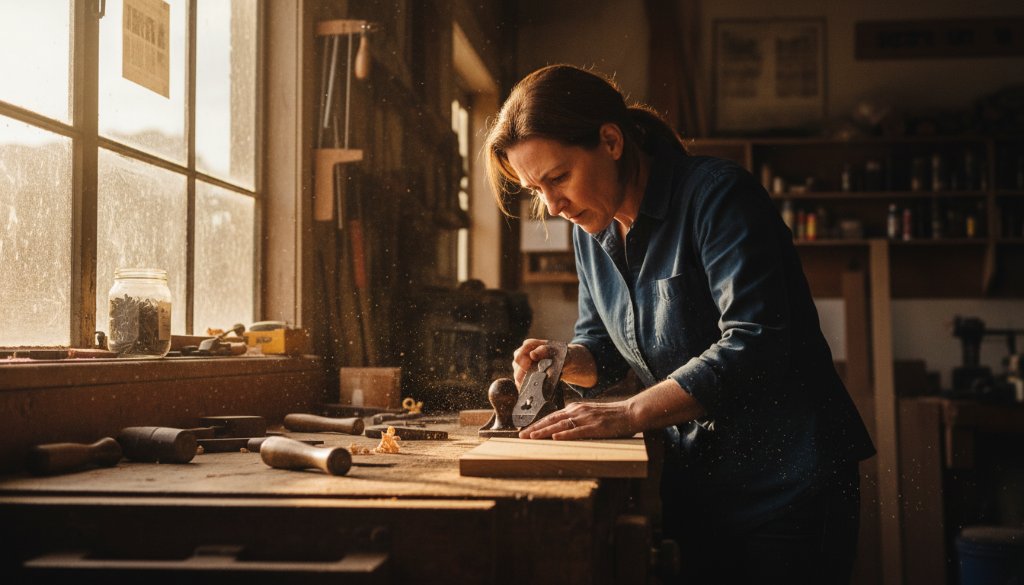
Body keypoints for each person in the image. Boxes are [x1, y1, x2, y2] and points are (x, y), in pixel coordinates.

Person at [483, 64, 876, 585]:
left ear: (610, 141)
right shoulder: (590, 230)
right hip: (701, 482)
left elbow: (757, 342)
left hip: (789, 484)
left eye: (558, 177)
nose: (553, 205)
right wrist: (564, 360)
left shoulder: (718, 196)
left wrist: (630, 413)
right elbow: (601, 346)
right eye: (536, 190)